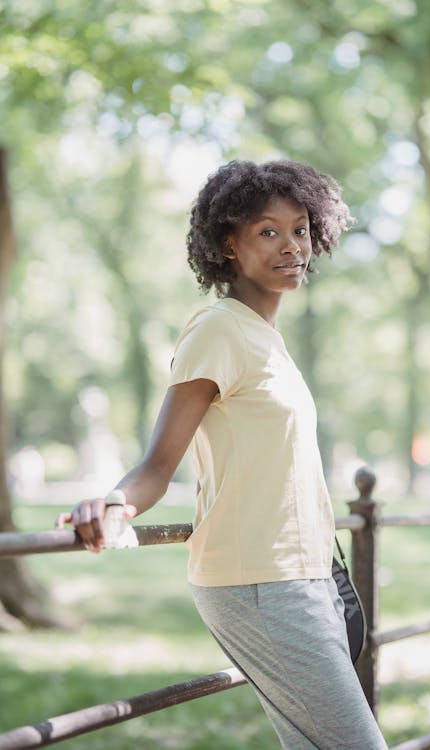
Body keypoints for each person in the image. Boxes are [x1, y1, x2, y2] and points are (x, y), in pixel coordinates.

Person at [57, 160, 388, 750]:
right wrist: (112, 503)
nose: (291, 246)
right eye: (267, 231)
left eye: (301, 229)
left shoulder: (265, 338)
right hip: (261, 584)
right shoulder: (218, 331)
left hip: (302, 578)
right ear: (227, 244)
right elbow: (158, 466)